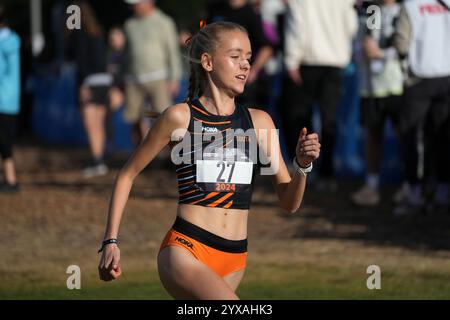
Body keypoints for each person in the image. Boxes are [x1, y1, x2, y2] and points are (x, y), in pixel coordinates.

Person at [98, 21, 321, 299]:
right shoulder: (180, 117)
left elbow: (289, 204)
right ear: (207, 62)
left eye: (249, 58)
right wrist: (111, 241)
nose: (245, 65)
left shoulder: (260, 123)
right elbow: (127, 175)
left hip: (235, 259)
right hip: (187, 249)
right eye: (235, 56)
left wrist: (301, 166)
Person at [282, 0, 357, 191]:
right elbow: (352, 27)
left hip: (307, 62)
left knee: (301, 120)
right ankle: (326, 173)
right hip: (335, 64)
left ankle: (303, 171)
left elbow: (296, 26)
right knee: (328, 120)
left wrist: (291, 61)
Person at [392, 0, 450, 215]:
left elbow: (401, 43)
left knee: (411, 137)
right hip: (446, 80)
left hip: (418, 79)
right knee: (442, 136)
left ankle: (415, 192)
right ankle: (442, 191)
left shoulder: (411, 5)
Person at [351, 0, 403, 206]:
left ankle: (409, 186)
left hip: (398, 85)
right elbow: (360, 45)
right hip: (370, 88)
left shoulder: (404, 10)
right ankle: (371, 186)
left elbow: (405, 48)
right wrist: (363, 50)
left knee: (404, 136)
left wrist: (380, 54)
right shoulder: (370, 11)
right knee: (373, 137)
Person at [123, 0, 182, 144]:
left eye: (137, 3)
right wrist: (121, 77)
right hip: (133, 78)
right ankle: (141, 157)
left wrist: (174, 78)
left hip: (159, 77)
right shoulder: (129, 25)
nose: (134, 6)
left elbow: (172, 51)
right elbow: (126, 54)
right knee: (134, 119)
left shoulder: (164, 22)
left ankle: (170, 157)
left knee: (164, 118)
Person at [206, 0, 274, 109]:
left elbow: (266, 48)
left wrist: (253, 71)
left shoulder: (250, 13)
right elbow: (203, 39)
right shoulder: (214, 9)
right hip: (215, 81)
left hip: (245, 90)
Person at [71, 1, 111, 178]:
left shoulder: (79, 35)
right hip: (104, 81)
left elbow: (82, 64)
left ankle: (97, 161)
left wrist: (84, 85)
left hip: (90, 82)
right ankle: (100, 159)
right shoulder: (97, 32)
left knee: (91, 125)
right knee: (99, 124)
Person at [0, 5, 21, 193]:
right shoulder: (13, 40)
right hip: (11, 99)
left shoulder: (2, 43)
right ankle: (9, 178)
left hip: (2, 98)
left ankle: (11, 179)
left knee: (4, 142)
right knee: (6, 141)